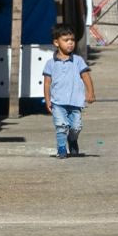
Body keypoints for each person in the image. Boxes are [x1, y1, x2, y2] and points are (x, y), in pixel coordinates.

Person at [42, 25, 95, 158]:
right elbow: (47, 83)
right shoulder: (50, 63)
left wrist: (90, 93)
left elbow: (86, 77)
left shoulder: (78, 61)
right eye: (66, 40)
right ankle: (61, 149)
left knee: (76, 127)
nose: (70, 43)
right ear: (56, 43)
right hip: (58, 102)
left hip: (75, 101)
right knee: (61, 125)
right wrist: (48, 100)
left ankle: (72, 140)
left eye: (72, 40)